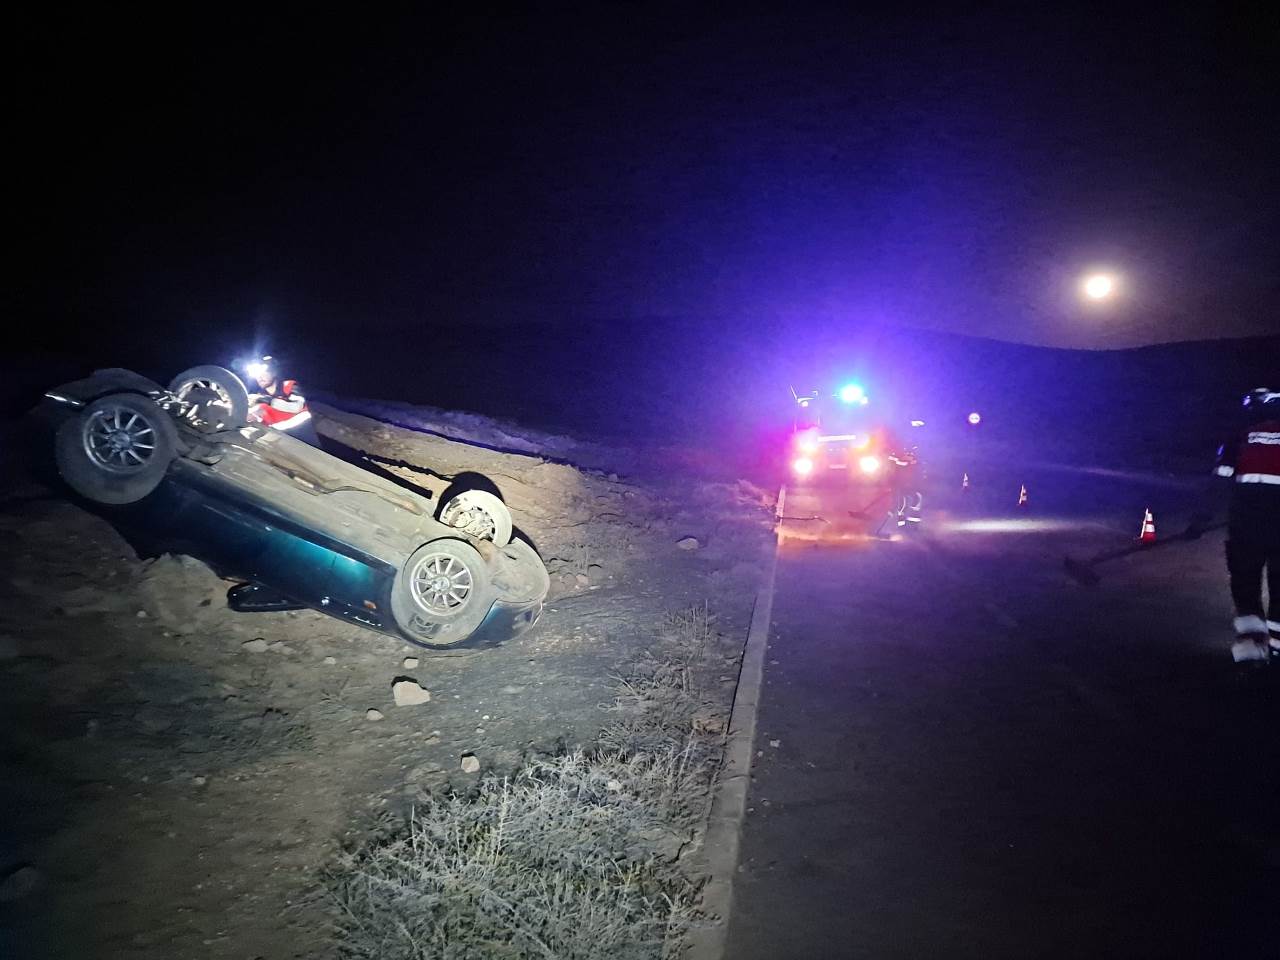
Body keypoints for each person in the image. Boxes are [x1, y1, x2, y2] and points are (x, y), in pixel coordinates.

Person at [1215, 386, 1280, 662]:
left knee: (1245, 586)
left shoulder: (1238, 438)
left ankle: (1251, 653)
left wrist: (1199, 521)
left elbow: (1219, 482)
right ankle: (1277, 649)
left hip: (1246, 528)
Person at [245, 356, 321, 447]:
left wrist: (266, 400)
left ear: (274, 373)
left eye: (264, 373)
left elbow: (296, 407)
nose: (260, 377)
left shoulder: (290, 386)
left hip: (308, 443)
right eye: (256, 375)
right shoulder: (260, 400)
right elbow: (252, 415)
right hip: (284, 447)